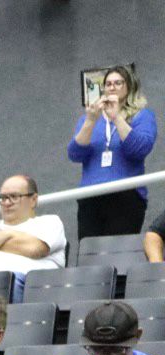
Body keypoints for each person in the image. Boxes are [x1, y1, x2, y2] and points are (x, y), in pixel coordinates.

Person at [69, 66, 157, 239]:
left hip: (126, 195)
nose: (112, 87)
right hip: (90, 195)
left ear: (129, 86)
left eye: (118, 83)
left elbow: (139, 149)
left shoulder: (142, 115)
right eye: (108, 84)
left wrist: (117, 117)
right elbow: (75, 154)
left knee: (118, 249)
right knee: (90, 251)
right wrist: (90, 121)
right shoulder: (90, 117)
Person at [0, 175, 67, 288]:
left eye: (14, 197)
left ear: (33, 200)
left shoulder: (49, 222)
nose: (7, 203)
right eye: (3, 198)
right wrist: (7, 235)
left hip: (26, 288)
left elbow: (34, 249)